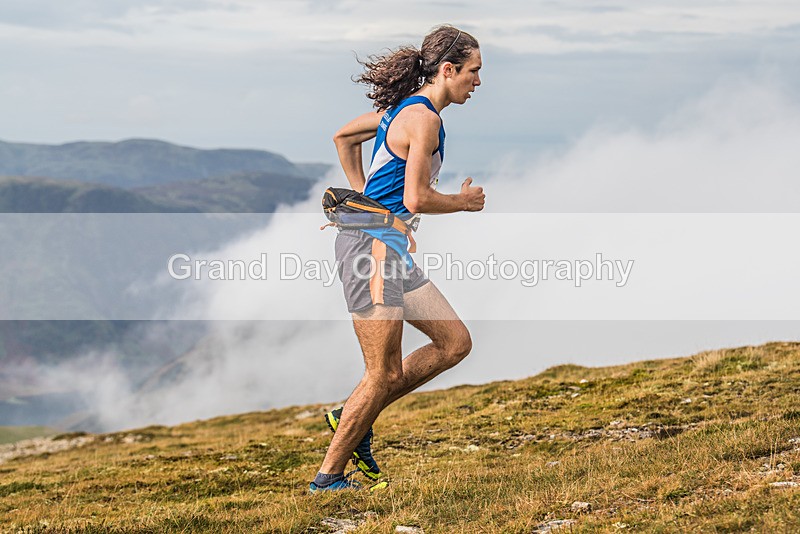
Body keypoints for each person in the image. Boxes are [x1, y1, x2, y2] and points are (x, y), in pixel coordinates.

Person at [310, 24, 485, 493]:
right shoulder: (424, 119)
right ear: (448, 70)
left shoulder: (402, 111)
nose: (478, 81)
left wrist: (369, 200)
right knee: (383, 372)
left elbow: (343, 138)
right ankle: (328, 478)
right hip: (371, 252)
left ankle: (351, 414)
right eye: (473, 71)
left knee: (455, 342)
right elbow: (418, 196)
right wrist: (463, 203)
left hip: (389, 248)